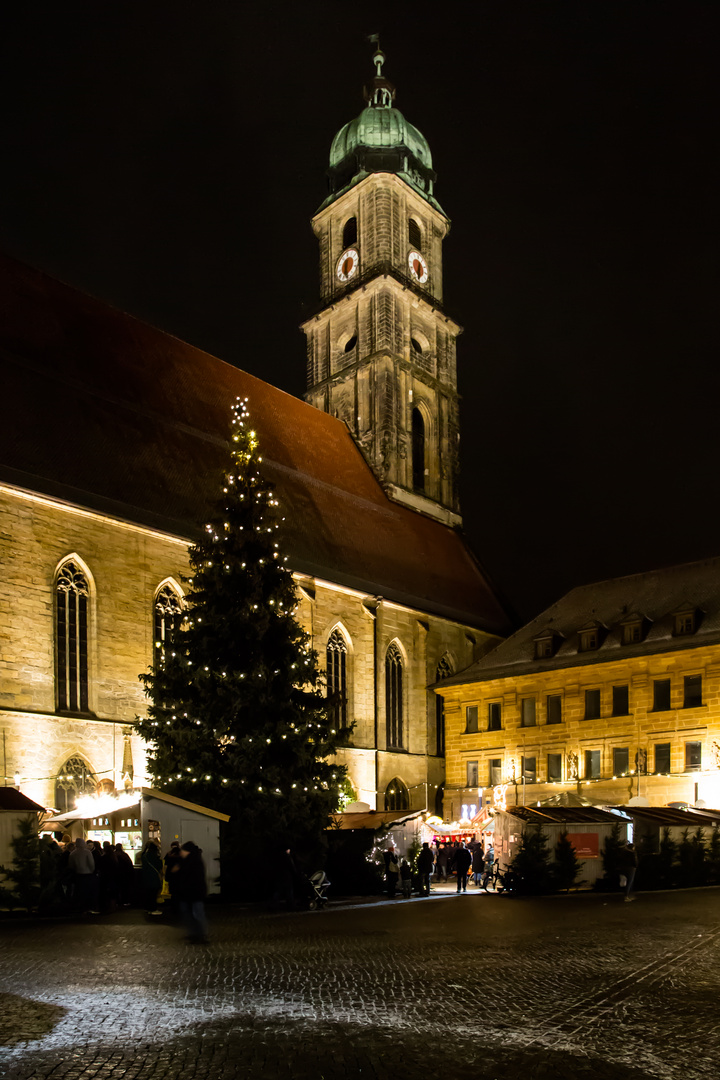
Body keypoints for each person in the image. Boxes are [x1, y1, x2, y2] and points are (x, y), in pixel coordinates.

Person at [174, 840, 209, 943]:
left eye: (182, 850)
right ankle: (196, 934)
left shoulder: (192, 861)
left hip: (193, 892)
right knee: (192, 913)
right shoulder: (188, 860)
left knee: (196, 913)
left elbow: (191, 878)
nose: (181, 852)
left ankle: (200, 934)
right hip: (190, 893)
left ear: (187, 851)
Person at [68, 837, 99, 914]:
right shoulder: (87, 852)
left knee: (79, 892)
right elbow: (91, 864)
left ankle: (80, 907)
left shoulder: (73, 853)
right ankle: (89, 907)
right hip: (88, 874)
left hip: (78, 875)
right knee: (89, 892)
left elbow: (71, 865)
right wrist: (92, 871)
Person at [140, 839, 164, 915]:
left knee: (148, 894)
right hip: (154, 877)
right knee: (153, 894)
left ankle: (147, 908)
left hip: (146, 877)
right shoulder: (155, 856)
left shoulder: (144, 856)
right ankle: (153, 909)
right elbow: (159, 866)